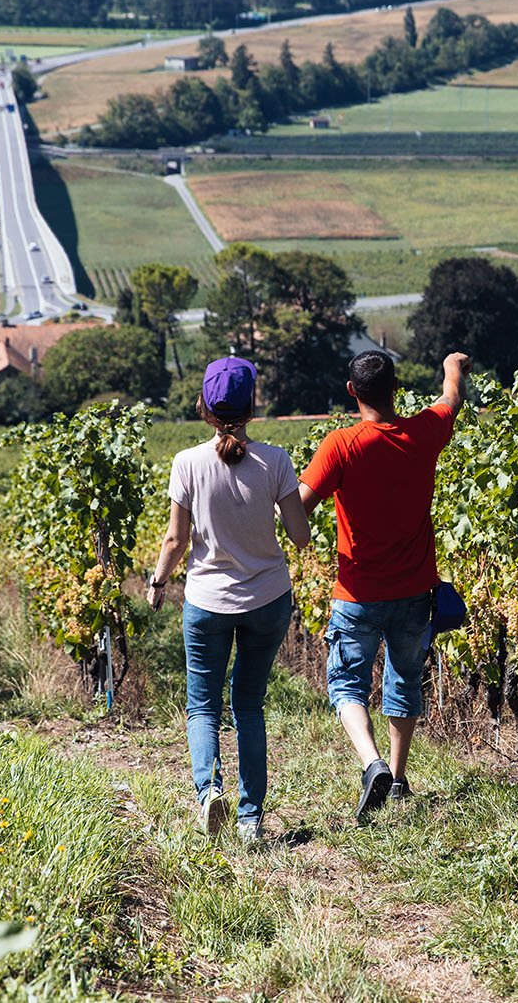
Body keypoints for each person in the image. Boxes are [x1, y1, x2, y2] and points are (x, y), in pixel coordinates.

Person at [298, 349, 471, 821]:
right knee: (405, 679)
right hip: (415, 590)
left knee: (346, 683)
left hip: (357, 592)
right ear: (396, 388)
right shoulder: (424, 431)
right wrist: (452, 366)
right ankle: (396, 777)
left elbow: (300, 505)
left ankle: (370, 762)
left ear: (351, 391)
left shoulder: (340, 445)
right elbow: (451, 399)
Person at [150, 356, 311, 844]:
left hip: (207, 603)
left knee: (203, 706)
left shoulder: (187, 463)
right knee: (249, 705)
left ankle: (208, 792)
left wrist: (158, 581)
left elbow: (176, 540)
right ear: (252, 406)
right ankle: (250, 819)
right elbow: (300, 536)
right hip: (268, 599)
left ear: (204, 406)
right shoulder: (277, 461)